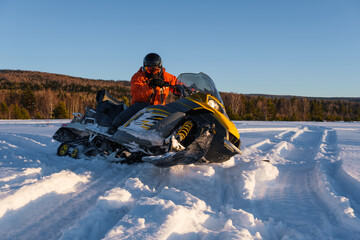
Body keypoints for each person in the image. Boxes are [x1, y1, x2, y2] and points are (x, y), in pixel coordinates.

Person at [107, 53, 179, 134]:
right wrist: (150, 85)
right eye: (148, 69)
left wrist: (189, 88)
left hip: (160, 109)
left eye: (154, 69)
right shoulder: (138, 77)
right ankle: (114, 126)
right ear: (144, 67)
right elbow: (137, 96)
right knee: (139, 106)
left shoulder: (167, 77)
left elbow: (178, 84)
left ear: (160, 68)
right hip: (142, 107)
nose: (152, 72)